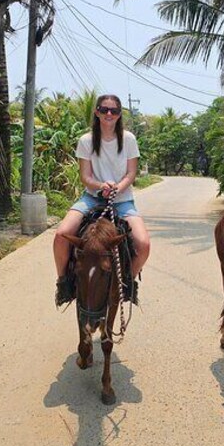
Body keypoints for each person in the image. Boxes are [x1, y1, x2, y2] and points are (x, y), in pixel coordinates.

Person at [53, 94, 151, 304]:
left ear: (119, 115)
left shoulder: (129, 139)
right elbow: (85, 177)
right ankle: (63, 283)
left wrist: (117, 188)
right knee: (61, 235)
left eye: (114, 110)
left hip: (123, 200)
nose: (109, 114)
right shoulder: (86, 141)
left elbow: (131, 173)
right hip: (92, 198)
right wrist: (100, 186)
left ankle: (128, 283)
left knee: (143, 244)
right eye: (104, 109)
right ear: (96, 112)